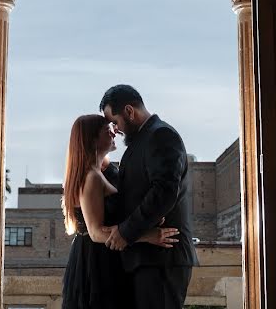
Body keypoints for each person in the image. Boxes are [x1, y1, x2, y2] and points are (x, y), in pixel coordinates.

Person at [61, 114, 180, 309]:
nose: (113, 131)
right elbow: (96, 232)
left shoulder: (100, 171)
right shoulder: (92, 177)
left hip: (105, 256)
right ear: (92, 139)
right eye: (107, 129)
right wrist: (145, 235)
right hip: (97, 262)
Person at [99, 85, 199, 309]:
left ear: (129, 111)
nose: (115, 129)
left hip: (162, 259)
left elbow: (164, 191)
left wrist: (126, 232)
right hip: (147, 258)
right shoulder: (143, 140)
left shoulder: (161, 135)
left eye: (115, 122)